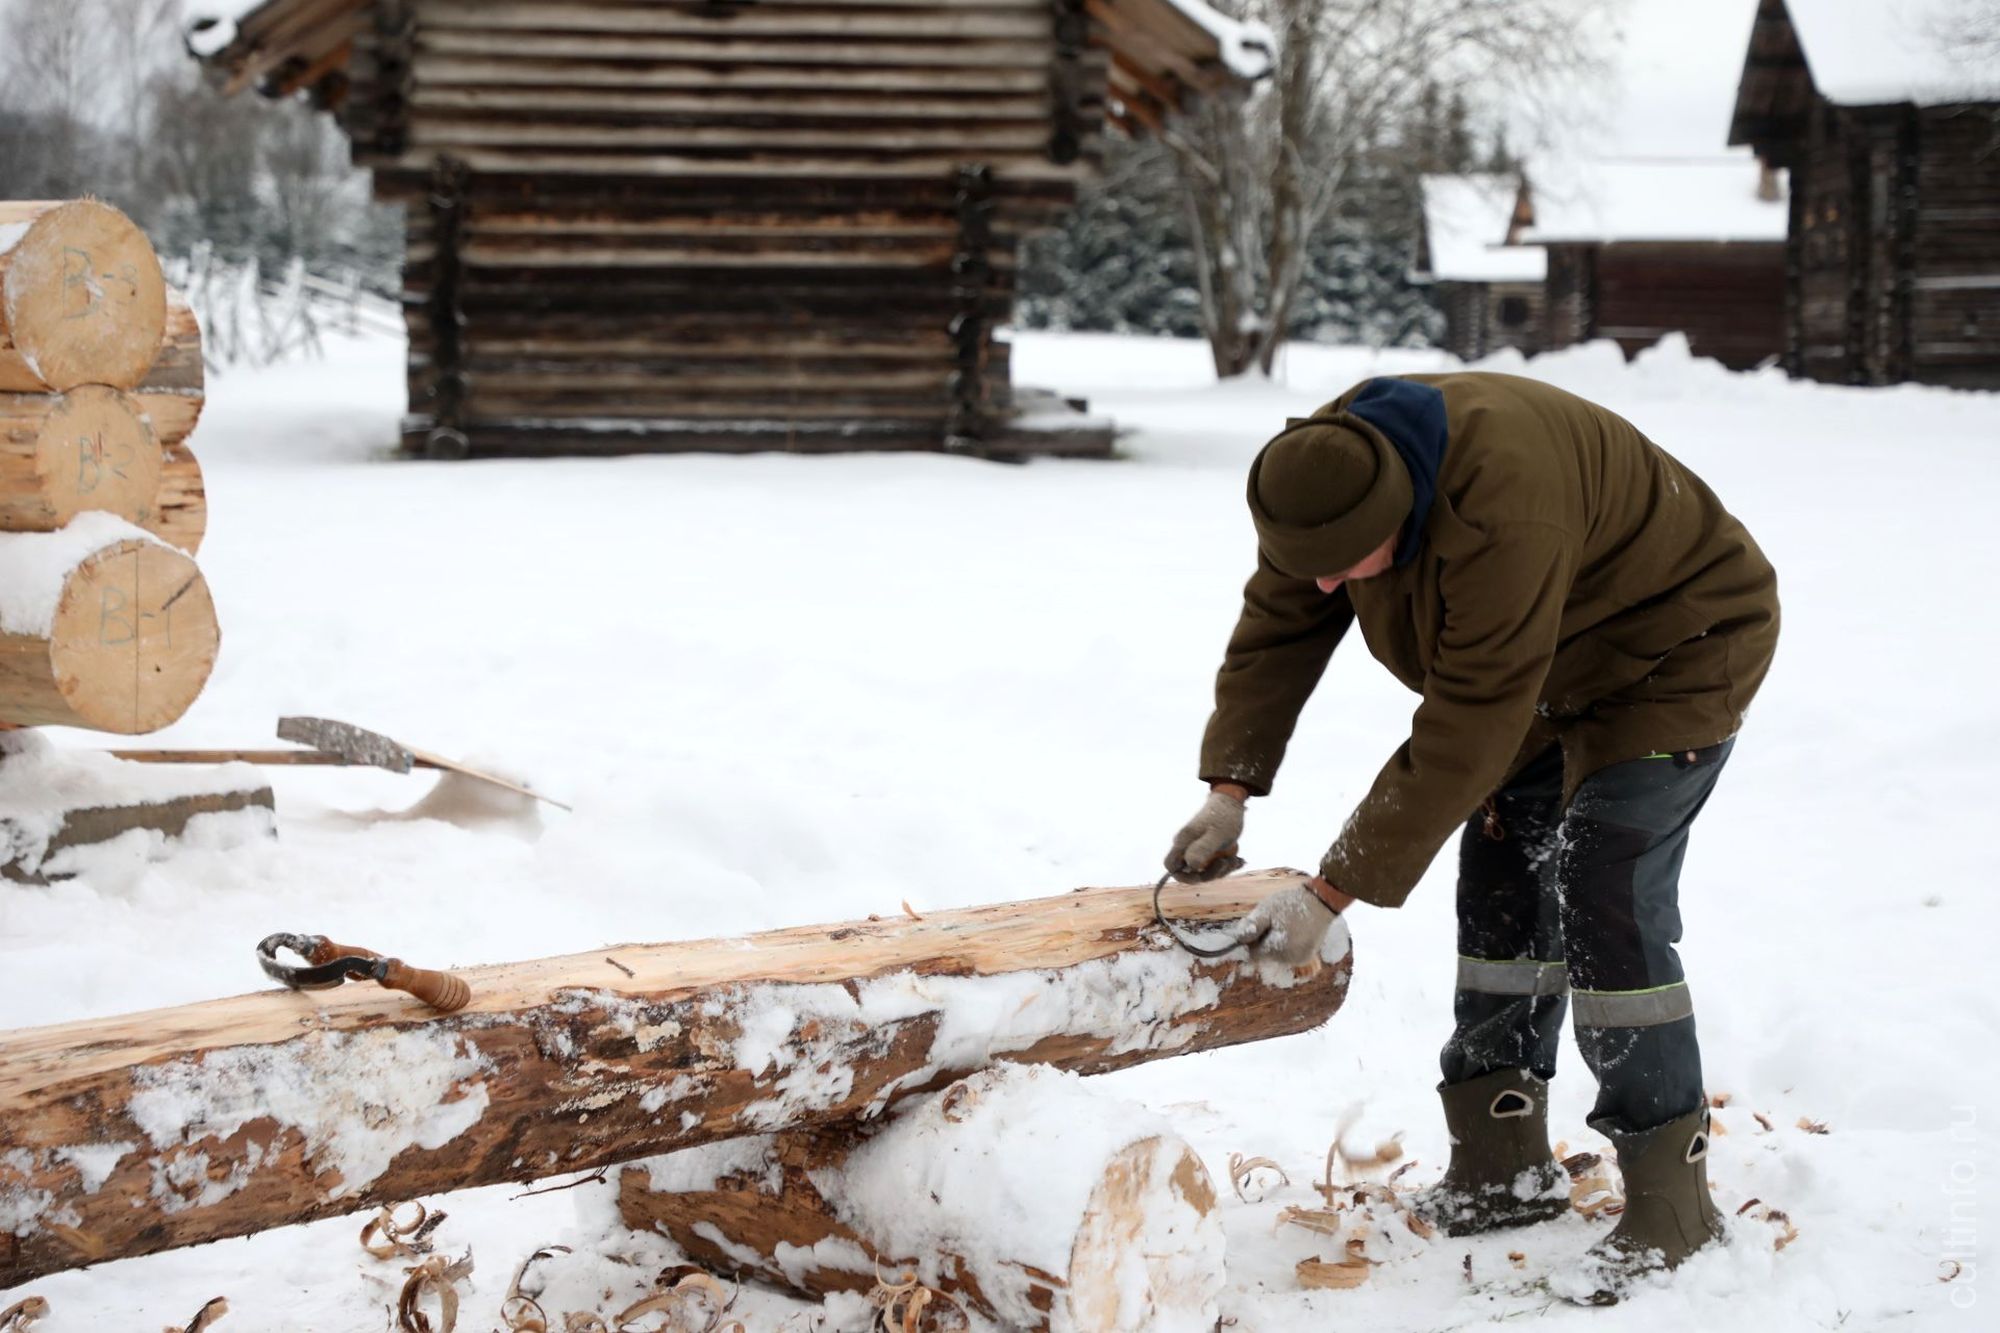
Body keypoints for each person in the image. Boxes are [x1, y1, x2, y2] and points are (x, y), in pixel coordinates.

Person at [1164, 372, 1778, 1304]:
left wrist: (1329, 891)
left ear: (1398, 516)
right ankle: (1501, 1166)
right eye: (1311, 563)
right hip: (1544, 653)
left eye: (1343, 564)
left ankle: (1673, 1203)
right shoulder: (1323, 479)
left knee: (1604, 884)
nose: (1326, 582)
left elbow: (1467, 724)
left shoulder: (1503, 510)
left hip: (1673, 645)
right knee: (1501, 862)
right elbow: (1278, 628)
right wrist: (1229, 788)